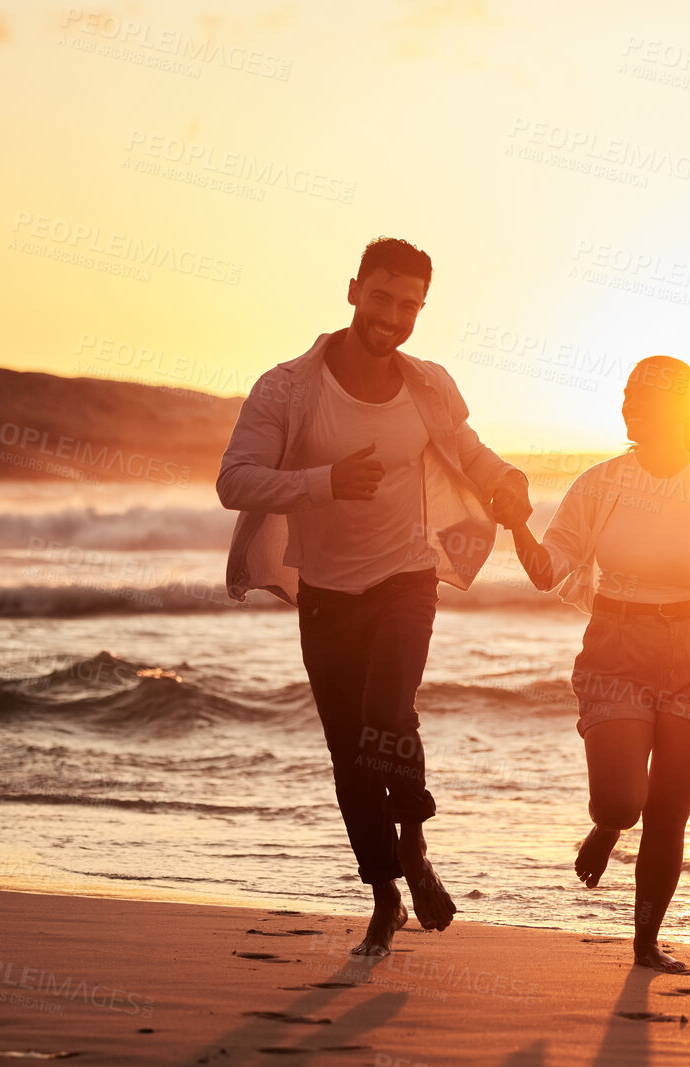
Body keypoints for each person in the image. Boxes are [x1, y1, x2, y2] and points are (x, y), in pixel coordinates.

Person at [217, 237, 531, 955]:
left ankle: (414, 849)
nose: (393, 315)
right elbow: (235, 480)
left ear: (421, 309)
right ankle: (384, 892)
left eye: (409, 304)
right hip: (326, 591)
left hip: (405, 576)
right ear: (354, 289)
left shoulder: (428, 385)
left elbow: (467, 449)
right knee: (350, 753)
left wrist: (503, 478)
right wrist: (325, 480)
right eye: (382, 297)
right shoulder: (287, 388)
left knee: (388, 712)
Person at [503, 356, 690, 972]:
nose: (630, 406)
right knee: (622, 801)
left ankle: (646, 946)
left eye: (645, 397)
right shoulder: (600, 484)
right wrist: (514, 522)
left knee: (668, 813)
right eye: (627, 395)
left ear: (682, 412)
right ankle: (608, 825)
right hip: (618, 647)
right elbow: (547, 572)